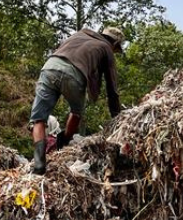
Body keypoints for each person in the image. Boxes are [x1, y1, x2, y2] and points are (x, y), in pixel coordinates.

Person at [28, 26, 125, 175]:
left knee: (38, 120)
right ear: (115, 43)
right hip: (74, 74)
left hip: (49, 67)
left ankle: (39, 164)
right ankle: (64, 142)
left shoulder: (81, 34)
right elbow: (112, 89)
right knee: (76, 113)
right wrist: (117, 118)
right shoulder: (106, 48)